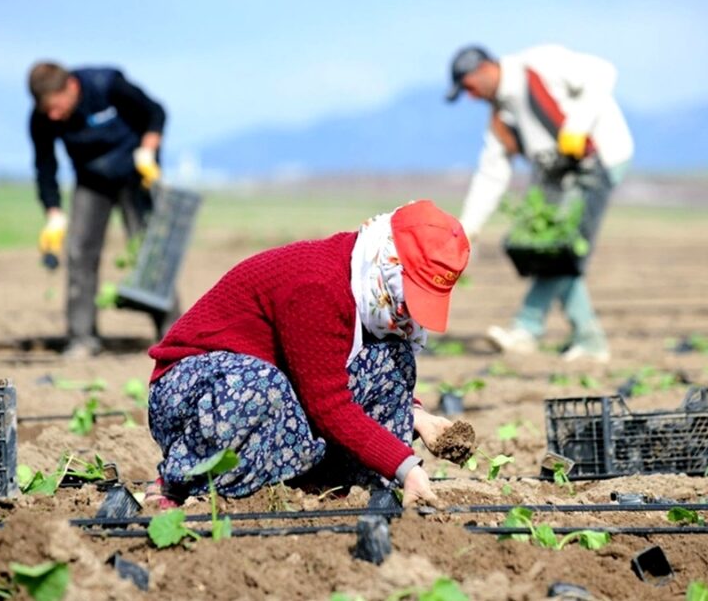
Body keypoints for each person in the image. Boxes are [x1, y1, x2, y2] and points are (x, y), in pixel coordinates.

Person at [144, 200, 470, 508]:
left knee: (390, 358)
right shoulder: (319, 286)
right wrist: (405, 466)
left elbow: (359, 368)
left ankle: (335, 485)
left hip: (278, 389)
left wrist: (418, 417)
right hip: (194, 392)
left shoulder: (369, 287)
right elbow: (329, 405)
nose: (408, 308)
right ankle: (182, 483)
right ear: (390, 264)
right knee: (261, 385)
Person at [446, 44, 633, 363]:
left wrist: (577, 126)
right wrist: (469, 227)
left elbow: (604, 72)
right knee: (554, 249)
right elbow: (491, 174)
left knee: (562, 250)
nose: (471, 97)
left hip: (599, 159)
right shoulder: (501, 117)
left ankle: (531, 330)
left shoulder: (540, 63)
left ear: (484, 70)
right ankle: (583, 339)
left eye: (469, 88)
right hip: (560, 176)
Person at [28, 62, 167, 357]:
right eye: (46, 110)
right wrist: (53, 211)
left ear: (72, 87)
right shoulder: (41, 118)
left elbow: (156, 112)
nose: (53, 115)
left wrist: (148, 150)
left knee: (150, 254)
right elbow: (45, 165)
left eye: (57, 106)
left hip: (134, 173)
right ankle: (82, 337)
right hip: (91, 180)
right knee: (79, 252)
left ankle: (171, 333)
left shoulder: (108, 84)